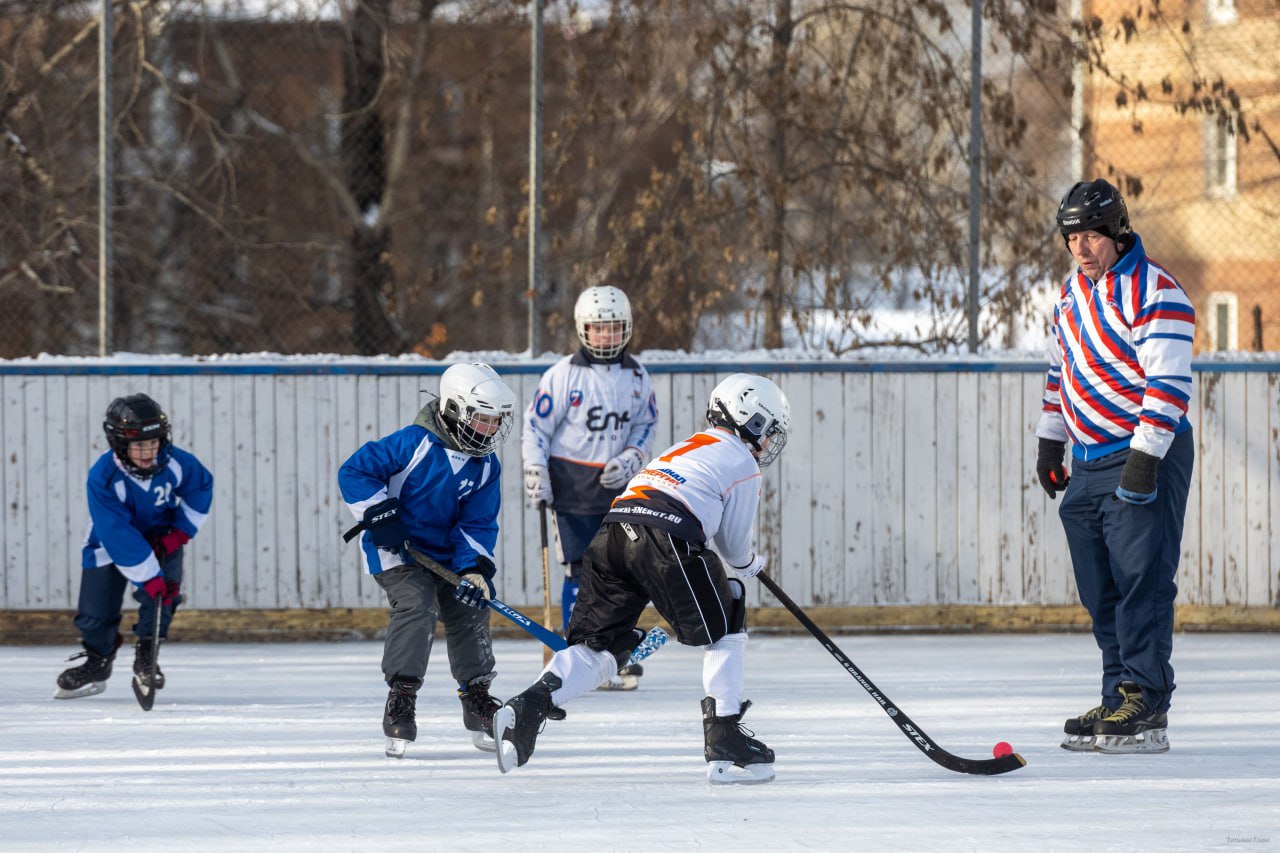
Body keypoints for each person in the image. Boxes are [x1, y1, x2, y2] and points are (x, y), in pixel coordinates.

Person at [496, 373, 790, 785]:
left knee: (600, 648)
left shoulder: (686, 447)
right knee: (730, 613)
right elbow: (734, 549)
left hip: (612, 534)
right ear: (751, 420)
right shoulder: (742, 463)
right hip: (666, 537)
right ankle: (724, 737)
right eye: (768, 430)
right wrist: (753, 565)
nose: (767, 442)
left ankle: (529, 706)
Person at [1037, 178, 1195, 754]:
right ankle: (1117, 693)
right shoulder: (1069, 295)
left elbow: (1169, 383)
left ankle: (1146, 697)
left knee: (1141, 580)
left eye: (1092, 235)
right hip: (1087, 458)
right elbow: (1060, 373)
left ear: (1117, 232)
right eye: (1071, 236)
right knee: (1099, 585)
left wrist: (1145, 459)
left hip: (1143, 452)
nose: (1081, 247)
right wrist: (1050, 443)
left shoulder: (1157, 291)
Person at [339, 362, 517, 758]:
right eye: (483, 419)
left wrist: (472, 569)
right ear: (454, 409)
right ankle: (401, 697)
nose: (491, 429)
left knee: (470, 608)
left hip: (449, 557)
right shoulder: (412, 443)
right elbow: (355, 471)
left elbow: (478, 522)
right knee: (418, 604)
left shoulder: (486, 464)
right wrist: (380, 513)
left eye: (496, 420)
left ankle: (476, 699)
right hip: (397, 552)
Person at [521, 285, 657, 690]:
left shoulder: (636, 376)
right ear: (583, 330)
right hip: (573, 488)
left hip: (619, 491)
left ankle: (612, 651)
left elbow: (645, 425)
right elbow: (535, 428)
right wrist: (535, 470)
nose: (607, 337)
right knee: (580, 571)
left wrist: (632, 458)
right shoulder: (563, 375)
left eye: (614, 328)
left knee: (625, 573)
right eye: (598, 329)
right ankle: (580, 652)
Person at [54, 394, 213, 700]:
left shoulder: (176, 462)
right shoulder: (103, 476)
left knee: (164, 597)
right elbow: (115, 532)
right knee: (95, 610)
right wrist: (148, 575)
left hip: (162, 538)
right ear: (120, 443)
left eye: (153, 443)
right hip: (109, 542)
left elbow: (201, 486)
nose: (148, 452)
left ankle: (147, 655)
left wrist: (180, 532)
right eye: (139, 445)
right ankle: (98, 662)